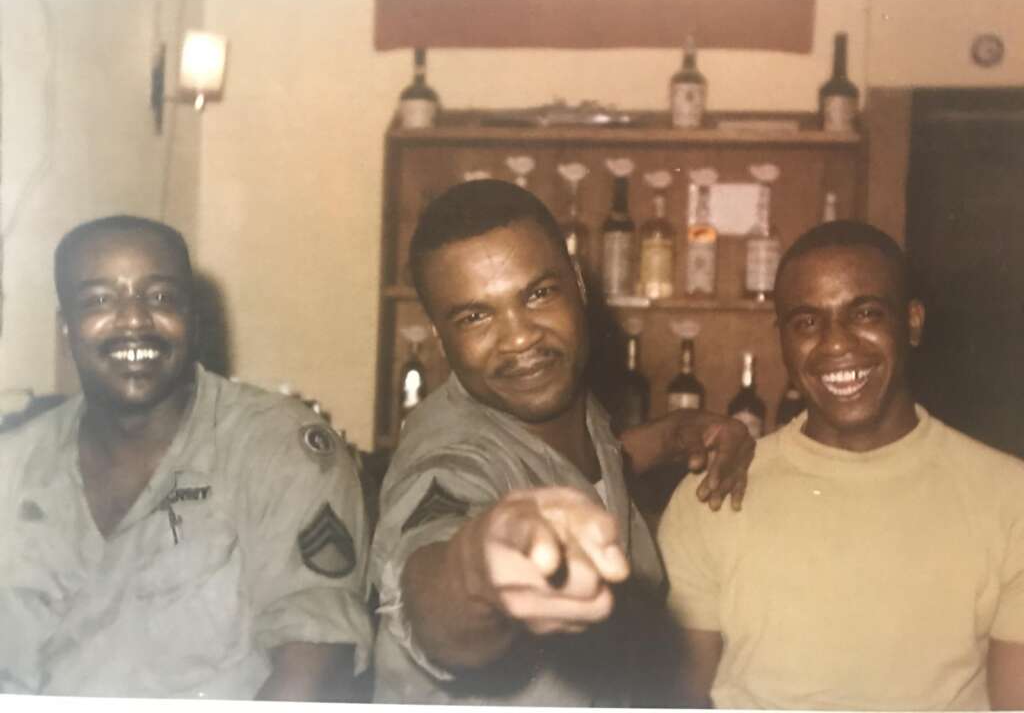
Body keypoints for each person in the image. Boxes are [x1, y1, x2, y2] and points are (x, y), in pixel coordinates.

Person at [369, 179, 754, 705]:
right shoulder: (447, 459)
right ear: (439, 334)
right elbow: (430, 586)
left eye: (538, 294)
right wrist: (480, 571)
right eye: (475, 316)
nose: (520, 337)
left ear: (578, 284)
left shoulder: (551, 398)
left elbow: (587, 468)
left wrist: (679, 434)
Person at [0, 216, 373, 700]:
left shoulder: (278, 449)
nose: (134, 320)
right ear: (66, 330)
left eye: (160, 297)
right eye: (98, 300)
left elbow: (315, 667)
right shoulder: (14, 464)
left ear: (194, 321)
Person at [659, 220, 1024, 709]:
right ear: (782, 341)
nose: (835, 344)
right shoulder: (713, 495)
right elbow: (676, 699)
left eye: (866, 313)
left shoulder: (1008, 496)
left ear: (912, 322)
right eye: (807, 322)